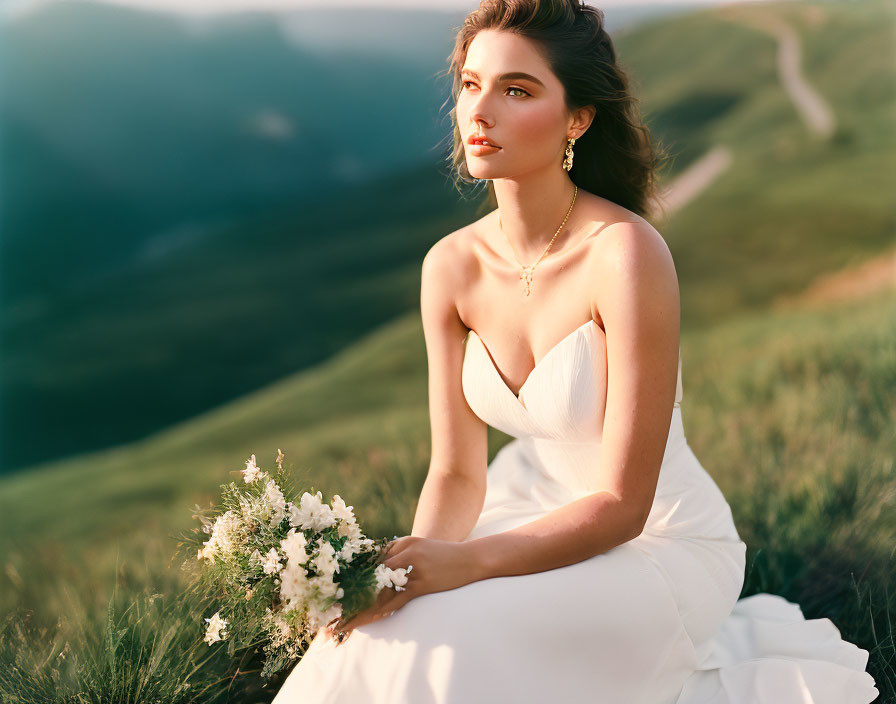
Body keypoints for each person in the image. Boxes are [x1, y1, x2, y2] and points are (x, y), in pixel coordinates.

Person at [272, 1, 880, 701]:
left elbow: (623, 503)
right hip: (526, 510)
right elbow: (457, 473)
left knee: (459, 630)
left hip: (654, 542)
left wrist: (465, 568)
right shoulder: (450, 267)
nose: (481, 111)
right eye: (471, 85)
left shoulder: (623, 254)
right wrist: (417, 572)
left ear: (578, 119)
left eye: (517, 90)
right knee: (382, 631)